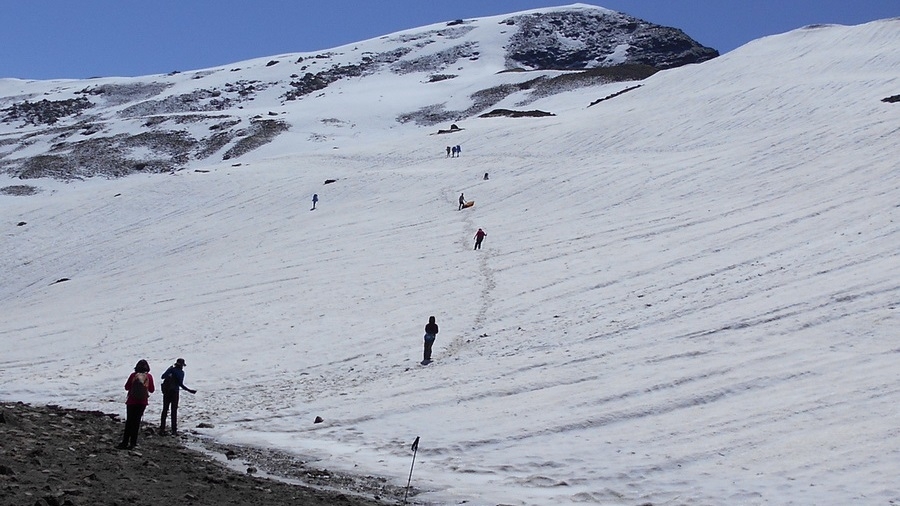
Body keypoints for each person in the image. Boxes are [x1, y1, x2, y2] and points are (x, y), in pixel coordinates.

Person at [118, 359, 155, 449]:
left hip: (131, 401)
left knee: (129, 422)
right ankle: (133, 443)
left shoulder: (133, 375)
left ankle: (125, 442)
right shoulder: (149, 377)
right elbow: (152, 390)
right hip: (142, 402)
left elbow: (127, 387)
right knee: (136, 422)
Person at [159, 358, 197, 436]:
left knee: (165, 410)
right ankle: (174, 430)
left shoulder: (171, 370)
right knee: (174, 411)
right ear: (182, 365)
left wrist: (168, 369)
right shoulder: (181, 373)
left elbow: (163, 377)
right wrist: (189, 390)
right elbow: (180, 384)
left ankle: (162, 429)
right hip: (175, 393)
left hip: (167, 392)